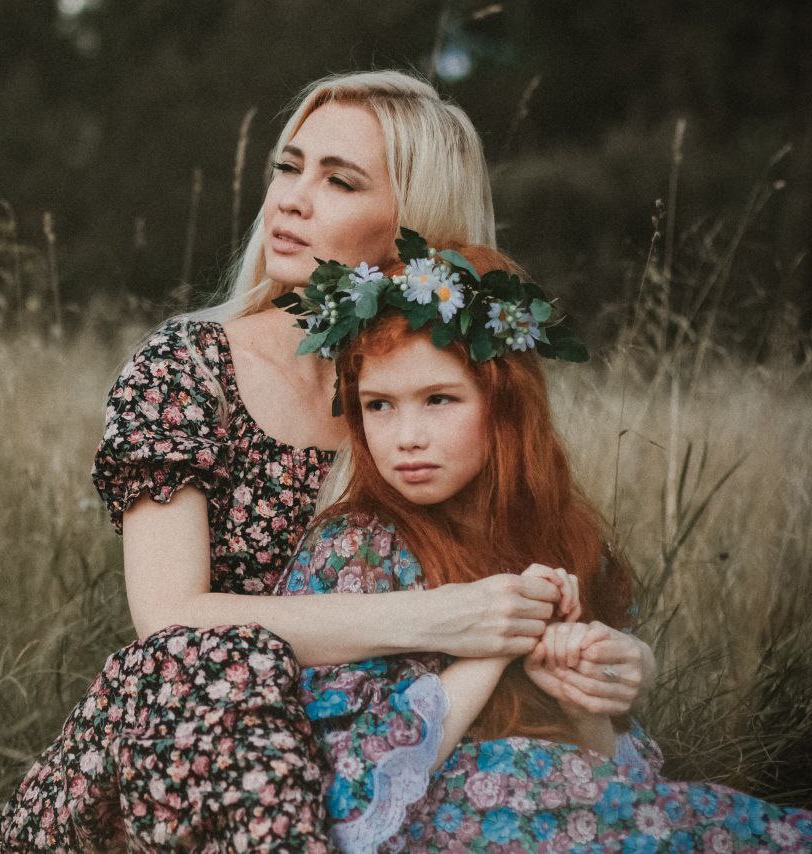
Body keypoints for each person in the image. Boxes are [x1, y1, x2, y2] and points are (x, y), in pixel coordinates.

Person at [0, 70, 654, 850]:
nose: (291, 200)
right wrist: (444, 617)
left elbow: (518, 556)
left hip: (388, 745)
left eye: (339, 182)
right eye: (289, 167)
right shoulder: (188, 368)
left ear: (412, 224)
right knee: (219, 661)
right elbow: (170, 622)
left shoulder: (423, 399)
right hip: (200, 740)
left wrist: (613, 660)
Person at [271, 239, 812, 852]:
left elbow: (617, 779)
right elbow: (345, 797)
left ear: (503, 404)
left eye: (439, 399)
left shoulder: (564, 537)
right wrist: (497, 639)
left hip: (575, 806)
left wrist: (582, 692)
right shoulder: (354, 547)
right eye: (379, 405)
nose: (407, 437)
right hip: (447, 826)